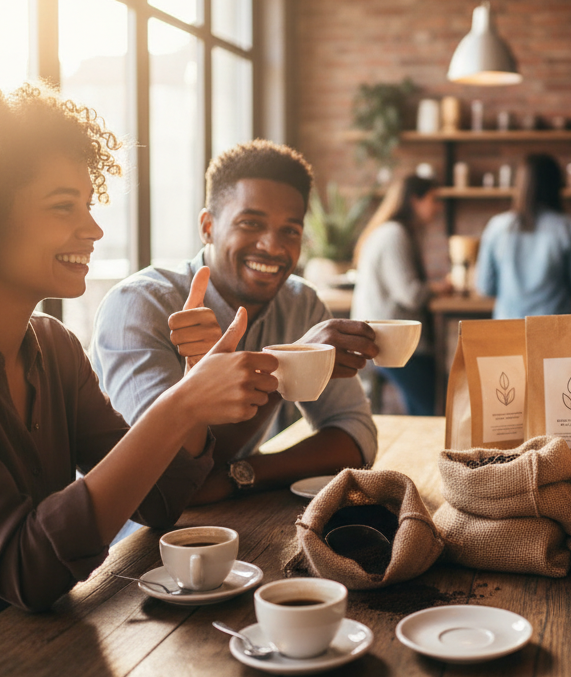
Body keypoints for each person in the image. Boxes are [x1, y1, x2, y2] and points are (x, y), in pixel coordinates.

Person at [0, 81, 275, 677]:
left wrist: (191, 388)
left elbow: (159, 502)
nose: (94, 229)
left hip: (30, 668)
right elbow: (27, 568)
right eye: (63, 207)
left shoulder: (51, 345)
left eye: (88, 204)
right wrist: (181, 405)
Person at [91, 140, 378, 503]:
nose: (273, 247)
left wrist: (244, 475)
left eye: (290, 230)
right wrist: (287, 369)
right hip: (134, 545)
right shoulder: (141, 305)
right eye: (251, 223)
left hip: (238, 522)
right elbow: (168, 479)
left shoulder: (300, 303)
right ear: (208, 227)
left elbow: (358, 435)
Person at [351, 174, 443, 416]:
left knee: (427, 396)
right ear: (415, 200)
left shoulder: (390, 231)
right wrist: (438, 288)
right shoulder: (394, 234)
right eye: (434, 200)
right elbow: (410, 295)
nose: (438, 207)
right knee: (430, 405)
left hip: (381, 337)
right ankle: (426, 446)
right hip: (387, 341)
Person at [476, 153, 571, 319]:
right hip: (553, 329)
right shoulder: (568, 228)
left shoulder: (496, 227)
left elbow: (484, 287)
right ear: (556, 185)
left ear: (520, 184)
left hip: (507, 329)